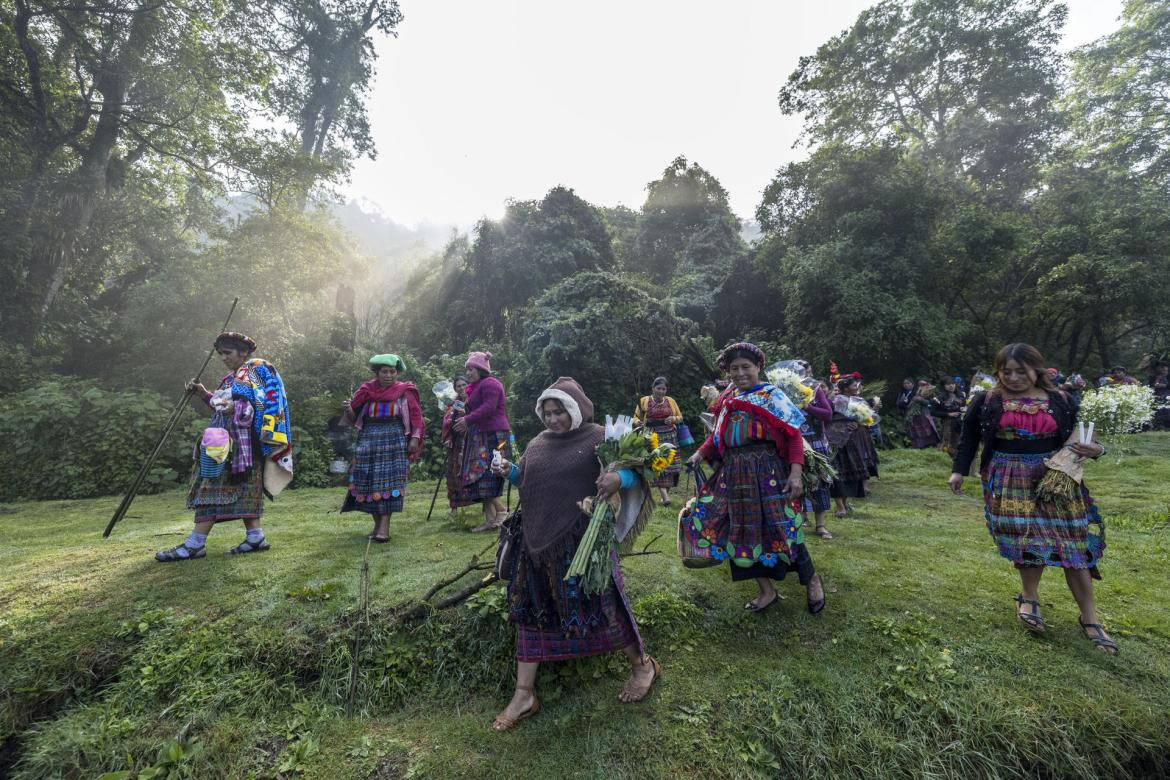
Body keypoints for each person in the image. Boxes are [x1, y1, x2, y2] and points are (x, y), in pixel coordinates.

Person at [489, 377, 660, 731]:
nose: (553, 419)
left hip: (582, 543)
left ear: (576, 409)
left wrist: (619, 480)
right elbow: (529, 480)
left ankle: (643, 666)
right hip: (536, 546)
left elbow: (634, 473)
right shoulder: (537, 444)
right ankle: (524, 694)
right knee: (531, 613)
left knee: (603, 604)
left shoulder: (599, 438)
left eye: (560, 412)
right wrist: (511, 472)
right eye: (547, 412)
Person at [948, 343, 1115, 654]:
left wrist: (1098, 451)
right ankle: (1030, 598)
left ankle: (1090, 617)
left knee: (1073, 543)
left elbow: (1086, 437)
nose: (1012, 377)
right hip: (1008, 478)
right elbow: (969, 435)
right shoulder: (987, 401)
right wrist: (959, 471)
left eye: (1020, 371)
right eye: (1005, 371)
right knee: (1027, 541)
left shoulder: (1062, 400)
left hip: (1056, 479)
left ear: (1037, 369)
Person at [684, 342, 825, 614]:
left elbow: (793, 436)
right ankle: (767, 590)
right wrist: (698, 455)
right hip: (735, 473)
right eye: (734, 368)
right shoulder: (726, 401)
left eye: (745, 367)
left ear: (758, 367)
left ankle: (812, 580)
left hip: (768, 471)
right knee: (738, 530)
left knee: (782, 527)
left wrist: (795, 473)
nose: (740, 373)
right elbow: (717, 438)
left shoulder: (771, 396)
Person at [156, 332, 293, 561]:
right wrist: (203, 394)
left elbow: (261, 405)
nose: (223, 358)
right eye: (220, 354)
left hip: (242, 447)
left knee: (212, 487)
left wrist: (236, 409)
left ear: (244, 352)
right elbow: (220, 405)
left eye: (227, 353)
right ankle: (255, 537)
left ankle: (195, 543)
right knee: (241, 489)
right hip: (222, 443)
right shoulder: (229, 380)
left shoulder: (257, 372)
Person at [339, 354, 425, 542]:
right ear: (377, 373)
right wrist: (349, 410)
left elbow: (416, 417)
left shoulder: (405, 391)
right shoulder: (366, 390)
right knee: (368, 480)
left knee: (389, 482)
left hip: (394, 440)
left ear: (397, 372)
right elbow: (353, 418)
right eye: (384, 372)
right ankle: (377, 525)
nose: (389, 375)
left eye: (392, 371)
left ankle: (384, 528)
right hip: (368, 440)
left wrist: (415, 439)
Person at [450, 351, 511, 532]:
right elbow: (469, 409)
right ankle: (491, 519)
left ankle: (500, 512)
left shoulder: (491, 384)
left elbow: (489, 407)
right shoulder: (474, 388)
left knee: (487, 473)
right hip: (479, 434)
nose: (468, 373)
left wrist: (468, 420)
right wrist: (455, 406)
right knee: (476, 475)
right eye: (467, 369)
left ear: (481, 369)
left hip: (493, 434)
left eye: (471, 369)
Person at [790, 360, 834, 539]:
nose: (802, 373)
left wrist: (808, 406)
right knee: (795, 479)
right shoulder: (786, 390)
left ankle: (821, 525)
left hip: (815, 442)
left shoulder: (815, 389)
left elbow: (828, 414)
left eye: (805, 370)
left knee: (819, 482)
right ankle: (800, 519)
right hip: (794, 441)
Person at [828, 375, 879, 517]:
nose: (857, 387)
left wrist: (860, 421)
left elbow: (868, 417)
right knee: (836, 471)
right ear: (845, 388)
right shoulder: (837, 400)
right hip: (837, 439)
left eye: (857, 385)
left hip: (852, 441)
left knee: (851, 472)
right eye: (853, 385)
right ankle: (839, 506)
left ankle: (845, 502)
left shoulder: (860, 400)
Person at [633, 377, 683, 506]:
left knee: (671, 466)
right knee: (658, 464)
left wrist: (673, 418)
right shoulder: (644, 401)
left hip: (670, 436)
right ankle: (665, 497)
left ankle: (664, 494)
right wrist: (638, 422)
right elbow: (635, 417)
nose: (661, 391)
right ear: (653, 388)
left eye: (664, 389)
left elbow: (680, 417)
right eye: (658, 388)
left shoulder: (670, 401)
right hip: (653, 438)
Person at [441, 376, 472, 512]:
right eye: (458, 386)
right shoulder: (452, 404)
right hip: (457, 442)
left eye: (464, 384)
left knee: (473, 471)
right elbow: (447, 423)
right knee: (454, 474)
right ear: (455, 389)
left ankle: (485, 504)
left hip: (472, 441)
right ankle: (455, 508)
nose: (461, 388)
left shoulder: (474, 399)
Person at [932, 377, 965, 456]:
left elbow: (964, 406)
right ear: (944, 386)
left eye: (953, 384)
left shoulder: (961, 395)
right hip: (948, 423)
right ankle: (945, 460)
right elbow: (933, 412)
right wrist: (948, 414)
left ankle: (956, 458)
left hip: (960, 422)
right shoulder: (939, 398)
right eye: (948, 384)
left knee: (959, 442)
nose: (951, 386)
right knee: (947, 443)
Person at [906, 380, 941, 449]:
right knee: (921, 434)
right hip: (918, 417)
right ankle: (922, 448)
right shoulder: (917, 397)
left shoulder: (924, 397)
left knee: (929, 432)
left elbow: (930, 404)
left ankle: (930, 447)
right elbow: (925, 403)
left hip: (925, 417)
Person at [1150, 362, 1170, 430]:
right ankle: (1160, 425)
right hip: (1161, 394)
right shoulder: (1159, 377)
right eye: (1163, 370)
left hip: (1167, 394)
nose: (1165, 372)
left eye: (1166, 371)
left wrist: (1165, 385)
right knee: (1161, 409)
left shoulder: (1168, 377)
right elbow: (1156, 384)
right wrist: (1159, 385)